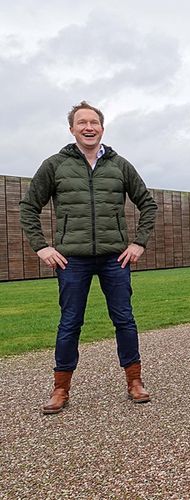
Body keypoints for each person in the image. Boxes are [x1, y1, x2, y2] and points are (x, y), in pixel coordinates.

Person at [20, 101, 158, 414]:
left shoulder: (120, 165)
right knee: (70, 322)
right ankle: (60, 388)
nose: (88, 128)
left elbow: (148, 205)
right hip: (71, 260)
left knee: (124, 319)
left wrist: (138, 243)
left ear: (102, 128)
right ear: (72, 129)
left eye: (94, 122)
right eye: (82, 123)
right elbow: (28, 207)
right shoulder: (55, 165)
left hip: (115, 258)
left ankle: (134, 381)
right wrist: (42, 247)